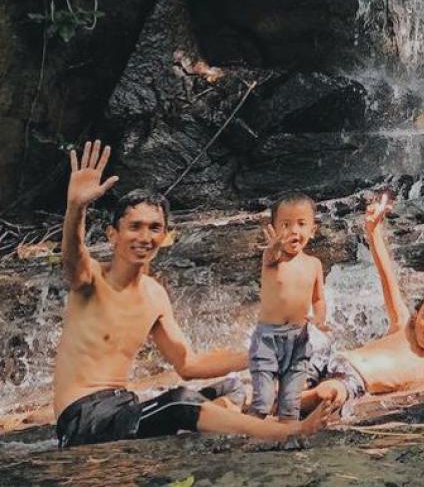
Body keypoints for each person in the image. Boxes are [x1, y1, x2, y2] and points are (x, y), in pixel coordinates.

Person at [52, 141, 334, 447]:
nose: (144, 237)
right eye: (135, 227)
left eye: (154, 228)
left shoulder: (154, 295)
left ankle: (232, 428)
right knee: (179, 402)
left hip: (123, 409)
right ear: (113, 234)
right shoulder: (91, 279)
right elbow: (73, 255)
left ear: (164, 236)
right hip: (84, 419)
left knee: (232, 388)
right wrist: (76, 208)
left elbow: (188, 365)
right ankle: (290, 431)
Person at [302, 192, 424, 413]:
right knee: (306, 336)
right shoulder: (402, 324)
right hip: (334, 358)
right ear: (416, 315)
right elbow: (386, 275)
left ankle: (283, 404)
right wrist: (373, 230)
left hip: (351, 381)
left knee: (327, 394)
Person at [248, 192, 328, 423]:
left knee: (291, 403)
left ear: (313, 230)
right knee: (263, 401)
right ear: (273, 229)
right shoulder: (272, 259)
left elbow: (318, 299)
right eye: (285, 225)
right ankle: (248, 434)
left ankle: (288, 436)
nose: (294, 231)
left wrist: (319, 319)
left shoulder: (314, 264)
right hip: (268, 339)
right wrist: (274, 246)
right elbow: (270, 253)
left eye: (301, 224)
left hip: (299, 340)